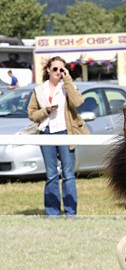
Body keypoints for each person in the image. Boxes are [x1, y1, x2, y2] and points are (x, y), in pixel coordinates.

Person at [28, 56, 89, 217]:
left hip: (64, 132)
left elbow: (78, 102)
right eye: (55, 69)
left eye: (61, 69)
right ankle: (52, 213)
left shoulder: (67, 86)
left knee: (68, 174)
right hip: (46, 132)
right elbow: (31, 114)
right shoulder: (39, 90)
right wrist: (45, 111)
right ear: (48, 69)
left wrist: (67, 79)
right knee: (51, 174)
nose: (58, 72)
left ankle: (70, 213)